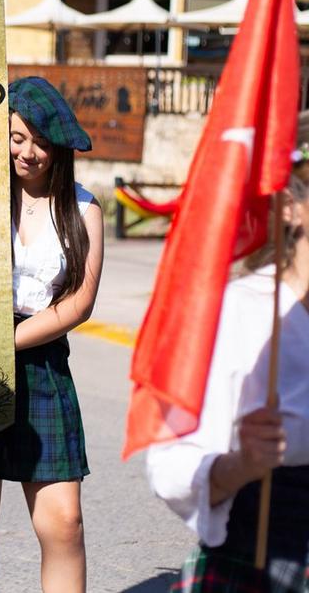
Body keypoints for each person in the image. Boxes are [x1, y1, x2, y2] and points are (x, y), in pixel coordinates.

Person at [0, 76, 103, 593]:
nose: (27, 152)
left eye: (39, 141)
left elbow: (79, 301)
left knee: (63, 521)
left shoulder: (83, 207)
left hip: (42, 363)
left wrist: (7, 343)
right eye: (16, 138)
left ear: (59, 146)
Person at [147, 142, 309, 590]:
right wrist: (242, 463)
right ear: (291, 206)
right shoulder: (239, 312)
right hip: (264, 561)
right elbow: (171, 466)